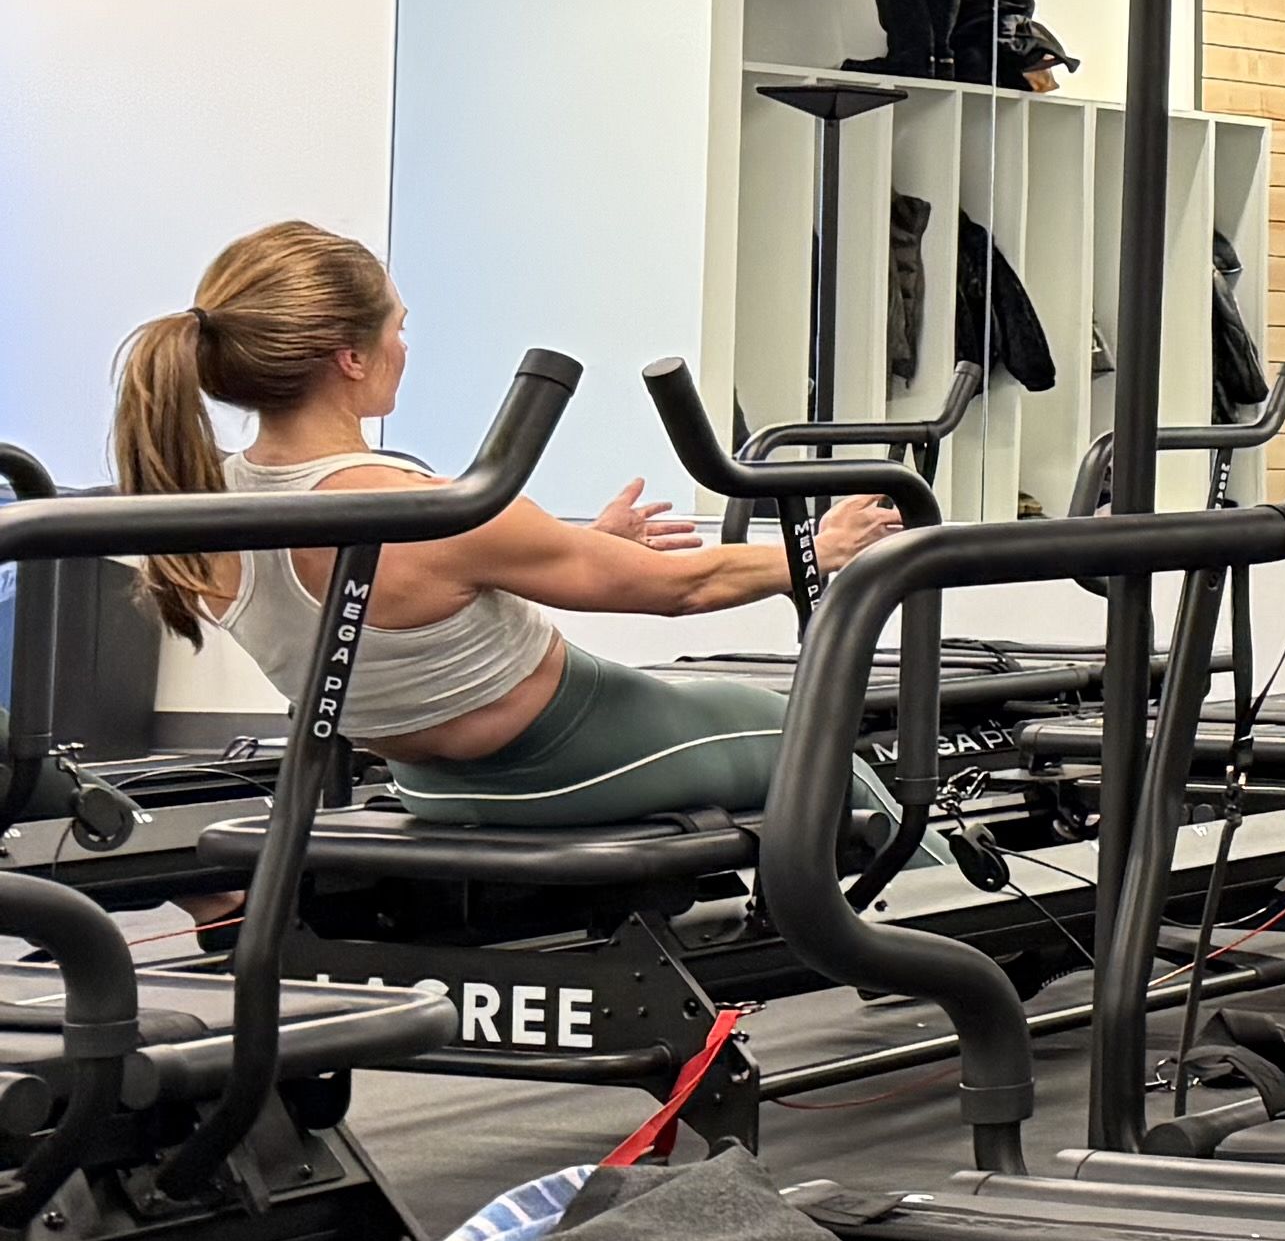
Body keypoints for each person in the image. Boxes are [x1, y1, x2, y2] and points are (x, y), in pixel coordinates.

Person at [111, 221, 904, 831]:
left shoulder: (204, 506)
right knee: (815, 735)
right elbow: (684, 589)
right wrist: (822, 550)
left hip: (428, 785)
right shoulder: (426, 510)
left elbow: (422, 624)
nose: (403, 346)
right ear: (350, 358)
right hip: (562, 761)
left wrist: (590, 544)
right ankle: (944, 951)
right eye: (396, 326)